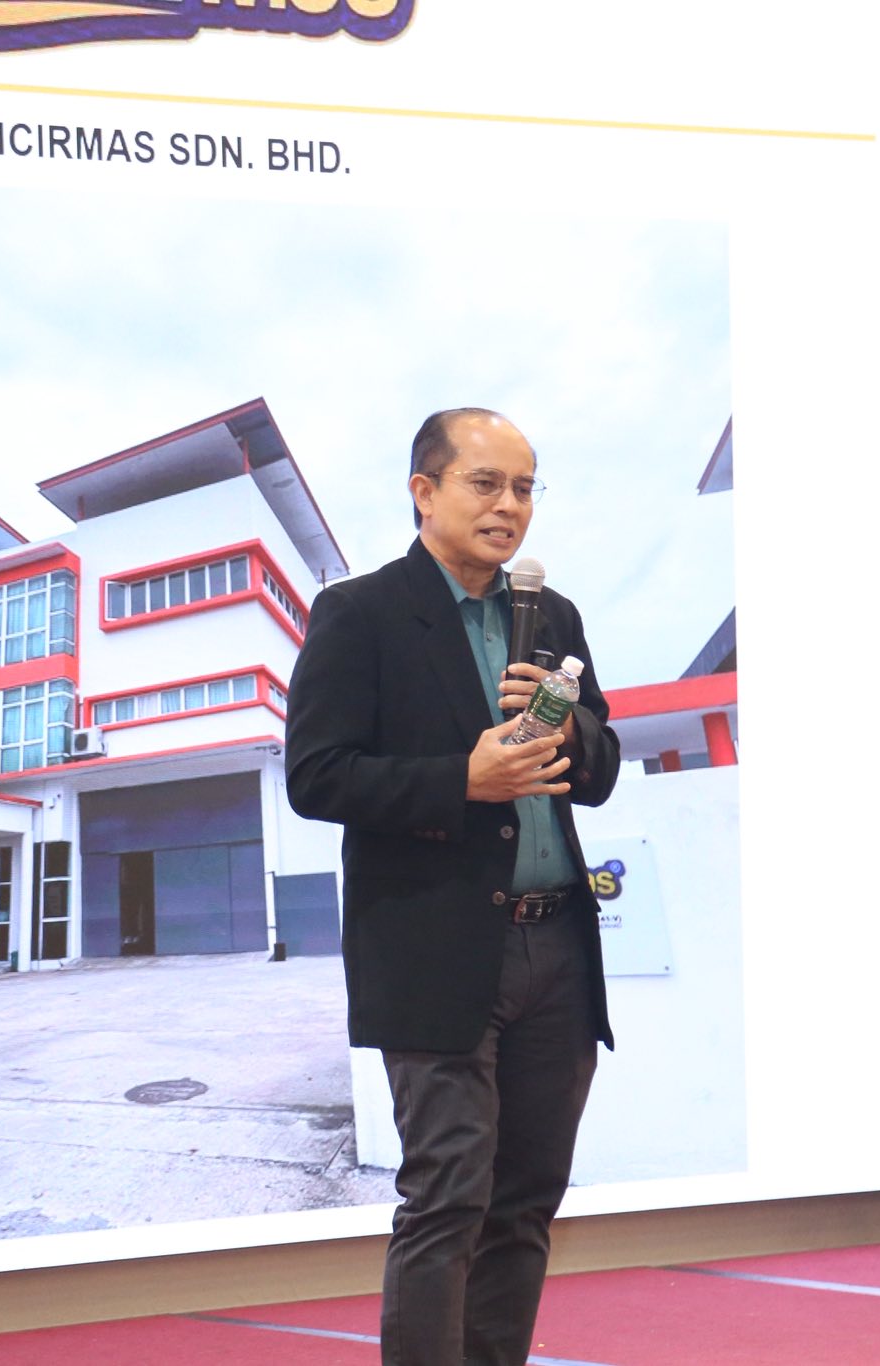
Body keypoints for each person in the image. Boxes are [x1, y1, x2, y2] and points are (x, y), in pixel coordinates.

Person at [285, 408, 621, 1365]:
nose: (509, 505)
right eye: (486, 483)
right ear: (424, 492)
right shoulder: (361, 613)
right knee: (449, 1196)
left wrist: (568, 733)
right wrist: (460, 780)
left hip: (557, 945)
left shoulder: (551, 617)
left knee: (527, 1199)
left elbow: (599, 766)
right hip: (433, 948)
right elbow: (316, 776)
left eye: (524, 487)